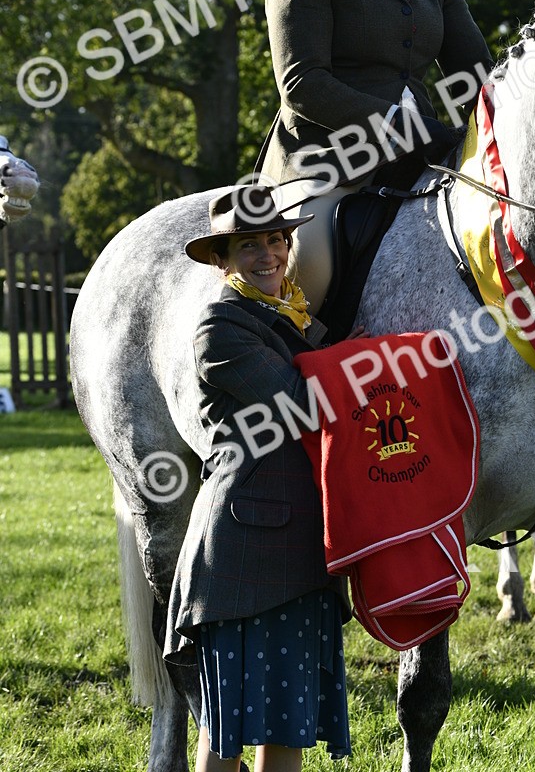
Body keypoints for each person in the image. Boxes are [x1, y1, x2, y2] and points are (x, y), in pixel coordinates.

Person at [258, 0, 493, 310]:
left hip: (424, 158)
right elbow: (301, 84)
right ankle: (289, 351)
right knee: (312, 263)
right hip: (328, 158)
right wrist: (399, 124)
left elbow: (475, 73)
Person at [164, 185, 351, 772]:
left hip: (297, 550)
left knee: (286, 727)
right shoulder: (220, 328)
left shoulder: (290, 315)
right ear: (222, 259)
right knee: (226, 736)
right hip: (244, 549)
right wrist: (385, 366)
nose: (268, 254)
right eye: (249, 245)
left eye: (275, 239)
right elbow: (304, 403)